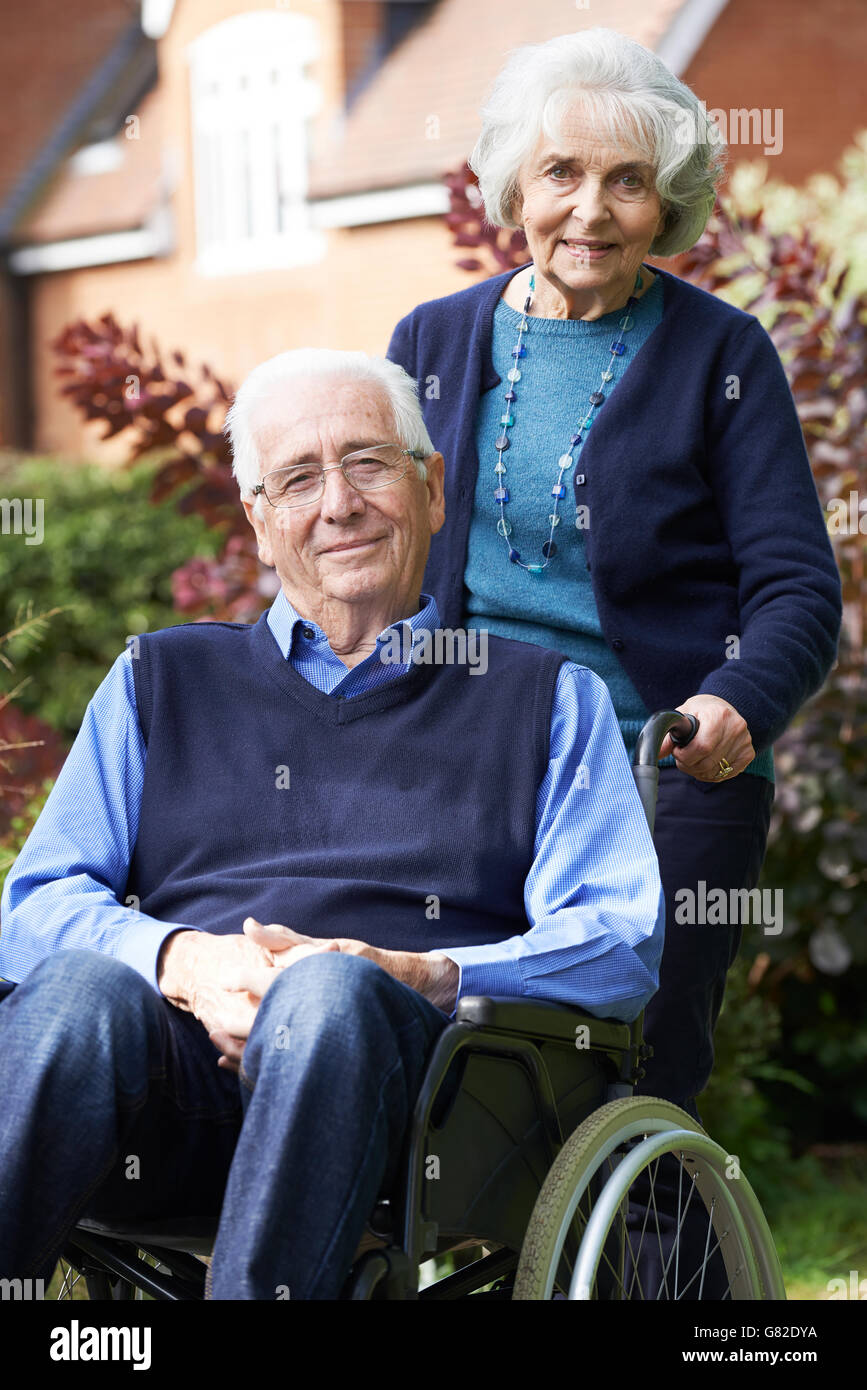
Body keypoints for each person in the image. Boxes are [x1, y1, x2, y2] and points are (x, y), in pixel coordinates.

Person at [0, 348, 664, 1300]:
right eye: (298, 479)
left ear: (432, 491)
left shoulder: (544, 699)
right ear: (261, 525)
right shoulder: (159, 680)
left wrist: (424, 972)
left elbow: (617, 938)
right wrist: (185, 962)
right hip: (169, 1099)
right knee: (71, 992)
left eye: (368, 463)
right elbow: (32, 908)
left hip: (421, 1108)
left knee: (323, 997)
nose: (338, 504)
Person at [386, 27, 842, 1123]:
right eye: (563, 173)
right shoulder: (431, 340)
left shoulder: (722, 356)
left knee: (626, 1081)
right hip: (466, 760)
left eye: (628, 181)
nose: (591, 209)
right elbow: (373, 557)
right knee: (426, 1052)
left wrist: (736, 699)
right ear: (515, 186)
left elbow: (797, 589)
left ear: (667, 200)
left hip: (660, 767)